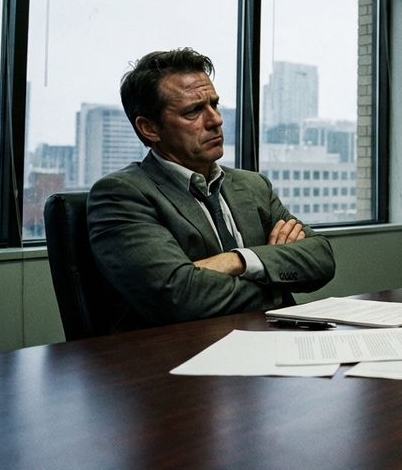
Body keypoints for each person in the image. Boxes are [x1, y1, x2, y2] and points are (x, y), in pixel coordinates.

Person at [87, 48, 335, 328]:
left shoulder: (253, 185)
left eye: (214, 105)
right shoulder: (122, 194)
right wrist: (273, 273)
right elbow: (178, 297)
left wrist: (238, 261)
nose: (215, 120)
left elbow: (321, 258)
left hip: (273, 342)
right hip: (181, 357)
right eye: (194, 111)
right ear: (149, 128)